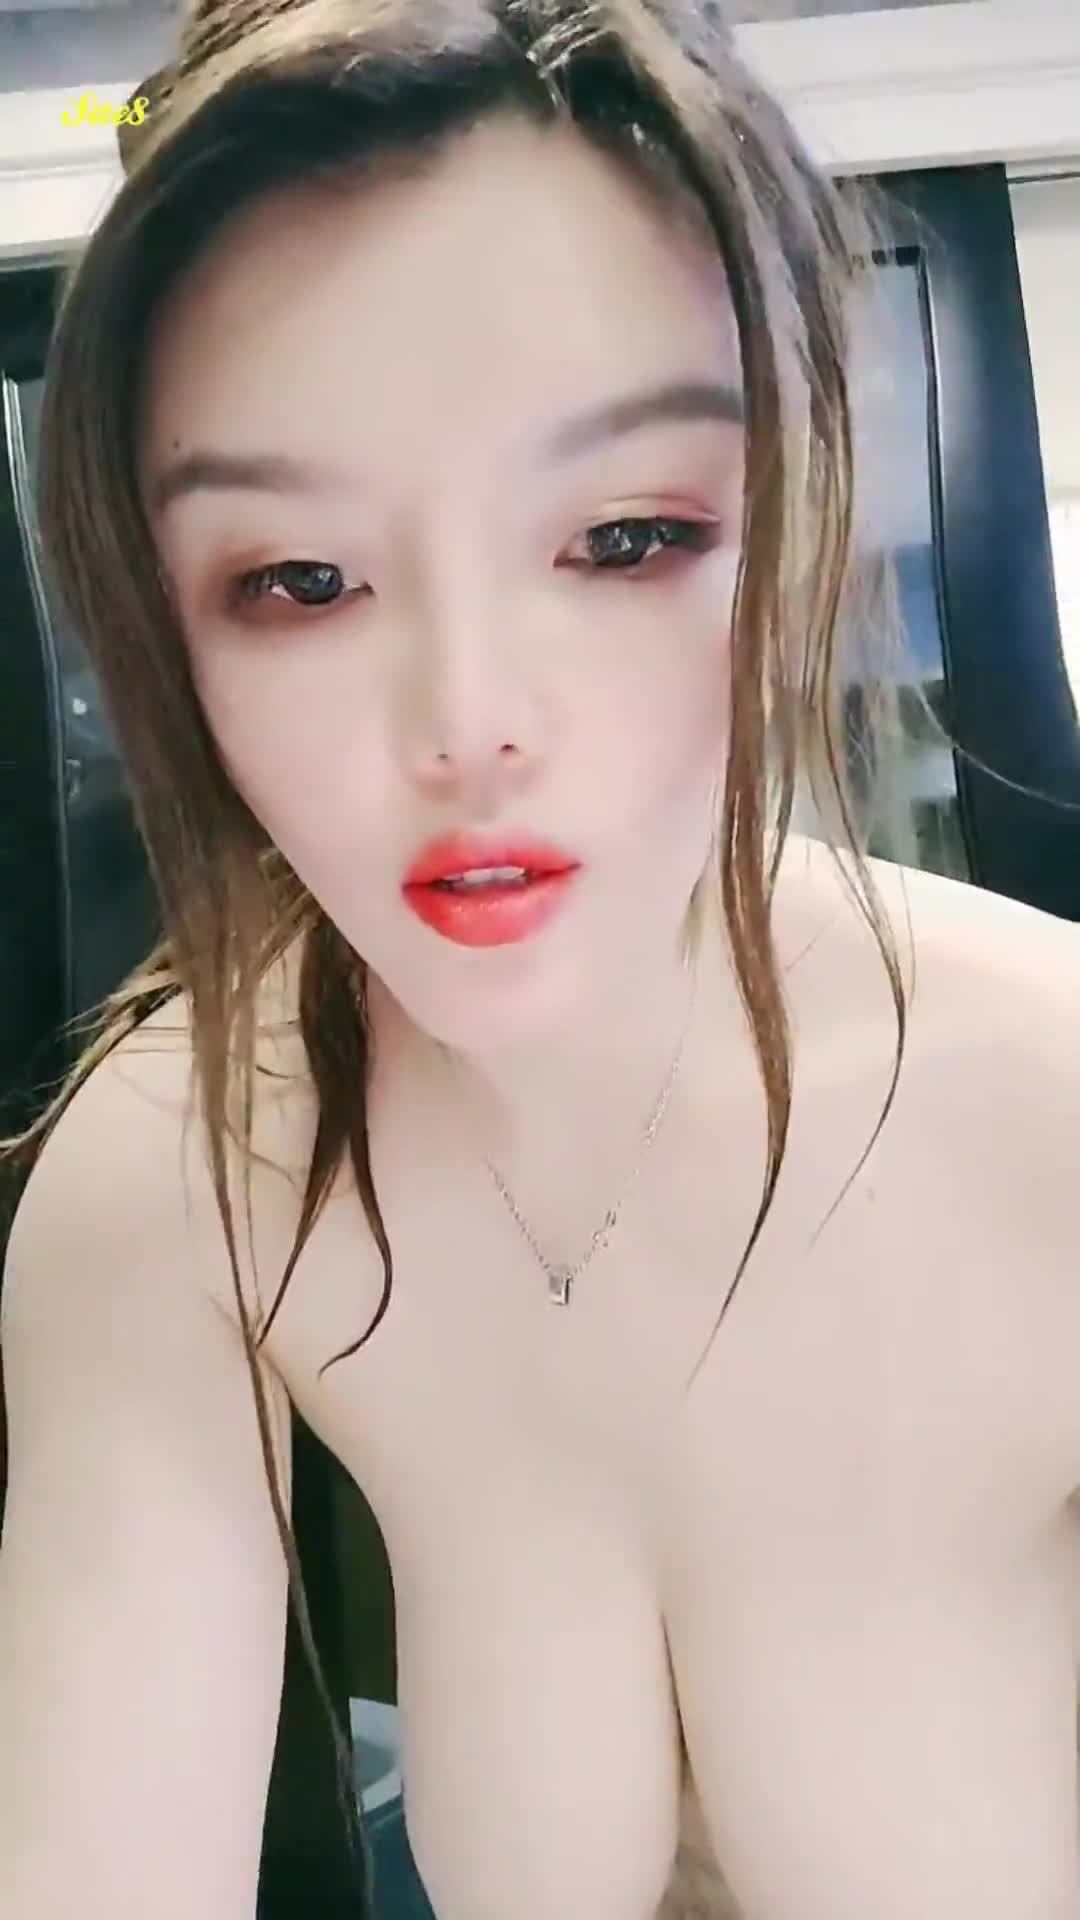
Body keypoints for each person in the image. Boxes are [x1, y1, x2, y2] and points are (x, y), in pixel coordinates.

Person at [2, 2, 1079, 1916]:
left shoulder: (1048, 1111)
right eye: (301, 580)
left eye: (626, 536)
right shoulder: (188, 1172)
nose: (469, 722)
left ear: (792, 519)